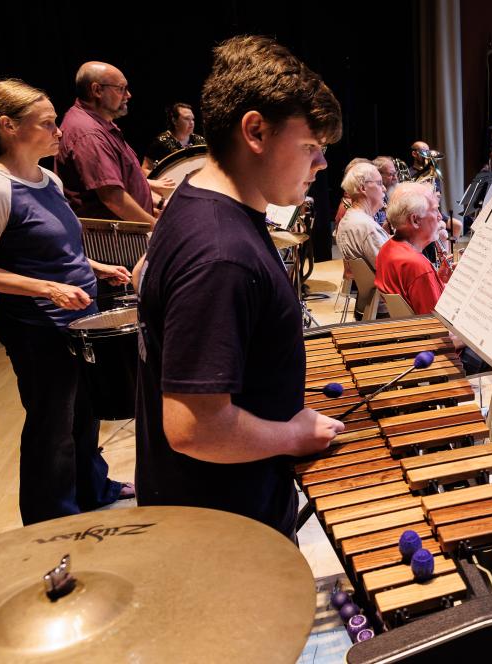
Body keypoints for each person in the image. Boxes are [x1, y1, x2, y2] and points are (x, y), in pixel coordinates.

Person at [134, 35, 345, 537]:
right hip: (225, 526)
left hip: (205, 503)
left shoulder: (192, 199)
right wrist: (292, 435)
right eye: (311, 148)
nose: (321, 165)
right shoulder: (221, 255)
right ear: (256, 131)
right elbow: (195, 428)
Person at [0, 80, 133, 525]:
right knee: (52, 428)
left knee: (86, 415)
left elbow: (60, 251)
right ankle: (52, 518)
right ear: (8, 126)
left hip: (80, 319)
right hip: (38, 328)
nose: (59, 130)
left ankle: (93, 490)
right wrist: (47, 290)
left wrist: (96, 268)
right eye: (48, 122)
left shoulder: (48, 178)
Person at [55, 62, 157, 226]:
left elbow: (127, 180)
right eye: (121, 88)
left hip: (121, 237)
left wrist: (158, 205)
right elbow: (113, 198)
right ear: (97, 90)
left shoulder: (99, 124)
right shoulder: (88, 134)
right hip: (109, 245)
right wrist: (158, 230)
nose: (128, 95)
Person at [374, 181, 446, 314]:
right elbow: (437, 324)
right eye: (435, 210)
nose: (440, 216)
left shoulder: (387, 248)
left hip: (407, 329)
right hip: (428, 332)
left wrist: (437, 280)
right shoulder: (417, 266)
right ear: (415, 220)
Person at [337, 162, 389, 269]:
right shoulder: (367, 227)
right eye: (379, 183)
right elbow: (391, 271)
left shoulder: (350, 219)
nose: (384, 188)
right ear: (363, 188)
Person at [141, 102, 206, 173]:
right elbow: (144, 169)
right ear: (174, 121)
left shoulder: (200, 141)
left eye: (192, 119)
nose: (191, 122)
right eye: (187, 119)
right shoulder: (161, 142)